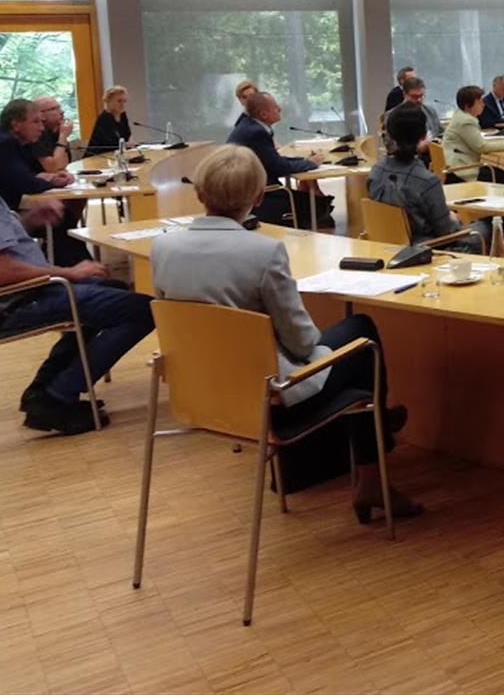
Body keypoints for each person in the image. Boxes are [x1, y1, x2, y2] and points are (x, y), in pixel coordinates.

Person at [151, 145, 421, 522]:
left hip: (202, 392)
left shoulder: (162, 246)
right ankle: (374, 459)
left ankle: (375, 431)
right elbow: (303, 341)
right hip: (267, 397)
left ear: (199, 193)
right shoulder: (264, 252)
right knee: (362, 336)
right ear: (259, 198)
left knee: (352, 348)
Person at [0, 109, 154, 435]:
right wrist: (70, 273)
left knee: (112, 290)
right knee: (143, 309)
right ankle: (58, 396)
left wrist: (28, 221)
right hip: (10, 303)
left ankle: (44, 390)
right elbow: (0, 272)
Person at [371, 104, 487, 253]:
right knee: (491, 224)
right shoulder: (426, 180)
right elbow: (446, 231)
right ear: (424, 135)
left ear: (390, 134)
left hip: (386, 244)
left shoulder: (376, 171)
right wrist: (452, 218)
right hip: (426, 248)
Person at [0, 98, 90, 267]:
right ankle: (75, 270)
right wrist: (55, 182)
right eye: (35, 122)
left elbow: (31, 175)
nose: (41, 128)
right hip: (1, 217)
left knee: (62, 215)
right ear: (16, 124)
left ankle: (72, 267)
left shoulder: (17, 141)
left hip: (10, 208)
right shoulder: (3, 143)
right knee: (59, 218)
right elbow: (28, 183)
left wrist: (49, 178)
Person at [227, 91, 332, 229]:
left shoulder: (249, 126)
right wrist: (310, 163)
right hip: (261, 197)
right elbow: (280, 167)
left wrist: (304, 160)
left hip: (250, 193)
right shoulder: (256, 132)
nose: (280, 109)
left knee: (316, 203)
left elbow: (273, 160)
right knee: (319, 205)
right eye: (275, 107)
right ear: (264, 114)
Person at [445, 85, 504, 183]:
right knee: (501, 176)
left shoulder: (461, 115)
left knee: (500, 173)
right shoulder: (466, 121)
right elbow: (482, 147)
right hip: (461, 170)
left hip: (458, 165)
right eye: (480, 102)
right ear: (468, 105)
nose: (483, 104)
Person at [31, 96, 75, 172]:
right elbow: (54, 168)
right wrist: (63, 136)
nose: (62, 112)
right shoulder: (36, 135)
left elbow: (65, 163)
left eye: (59, 108)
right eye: (54, 109)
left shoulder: (56, 132)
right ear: (41, 115)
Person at [86, 85, 132, 155]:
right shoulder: (104, 118)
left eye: (124, 101)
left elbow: (127, 135)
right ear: (108, 102)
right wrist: (126, 145)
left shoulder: (123, 116)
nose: (122, 104)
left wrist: (130, 142)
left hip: (117, 154)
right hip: (98, 156)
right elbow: (111, 143)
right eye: (119, 101)